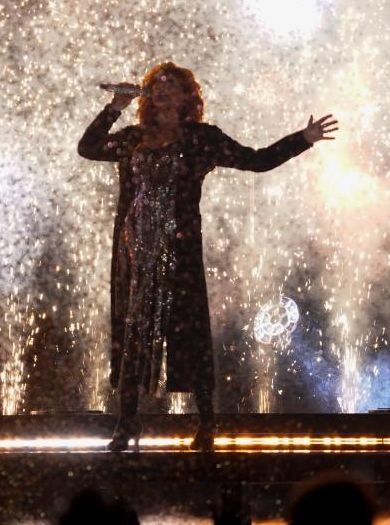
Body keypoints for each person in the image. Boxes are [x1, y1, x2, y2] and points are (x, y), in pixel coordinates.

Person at [78, 62, 338, 451]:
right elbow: (88, 148)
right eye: (156, 85)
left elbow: (257, 160)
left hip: (179, 255)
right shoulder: (133, 139)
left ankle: (206, 423)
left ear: (187, 97)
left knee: (191, 336)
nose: (162, 90)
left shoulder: (201, 139)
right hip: (136, 255)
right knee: (134, 337)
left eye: (172, 85)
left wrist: (303, 138)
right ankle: (127, 423)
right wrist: (115, 107)